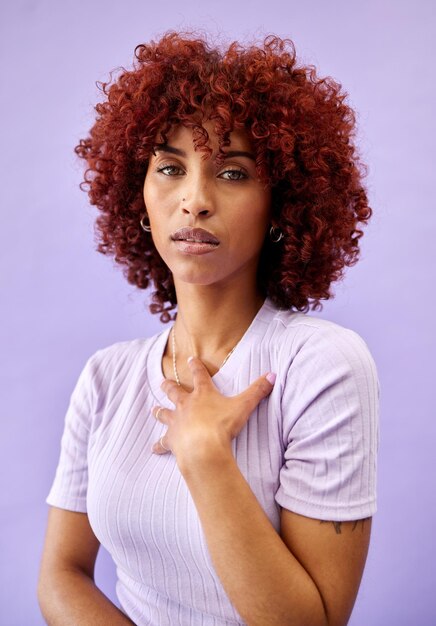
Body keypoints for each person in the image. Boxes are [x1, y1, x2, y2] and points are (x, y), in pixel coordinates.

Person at [37, 30, 380, 626]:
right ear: (137, 197)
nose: (194, 200)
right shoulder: (106, 377)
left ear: (283, 204)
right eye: (170, 167)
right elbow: (60, 575)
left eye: (233, 174)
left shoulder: (321, 365)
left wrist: (205, 456)